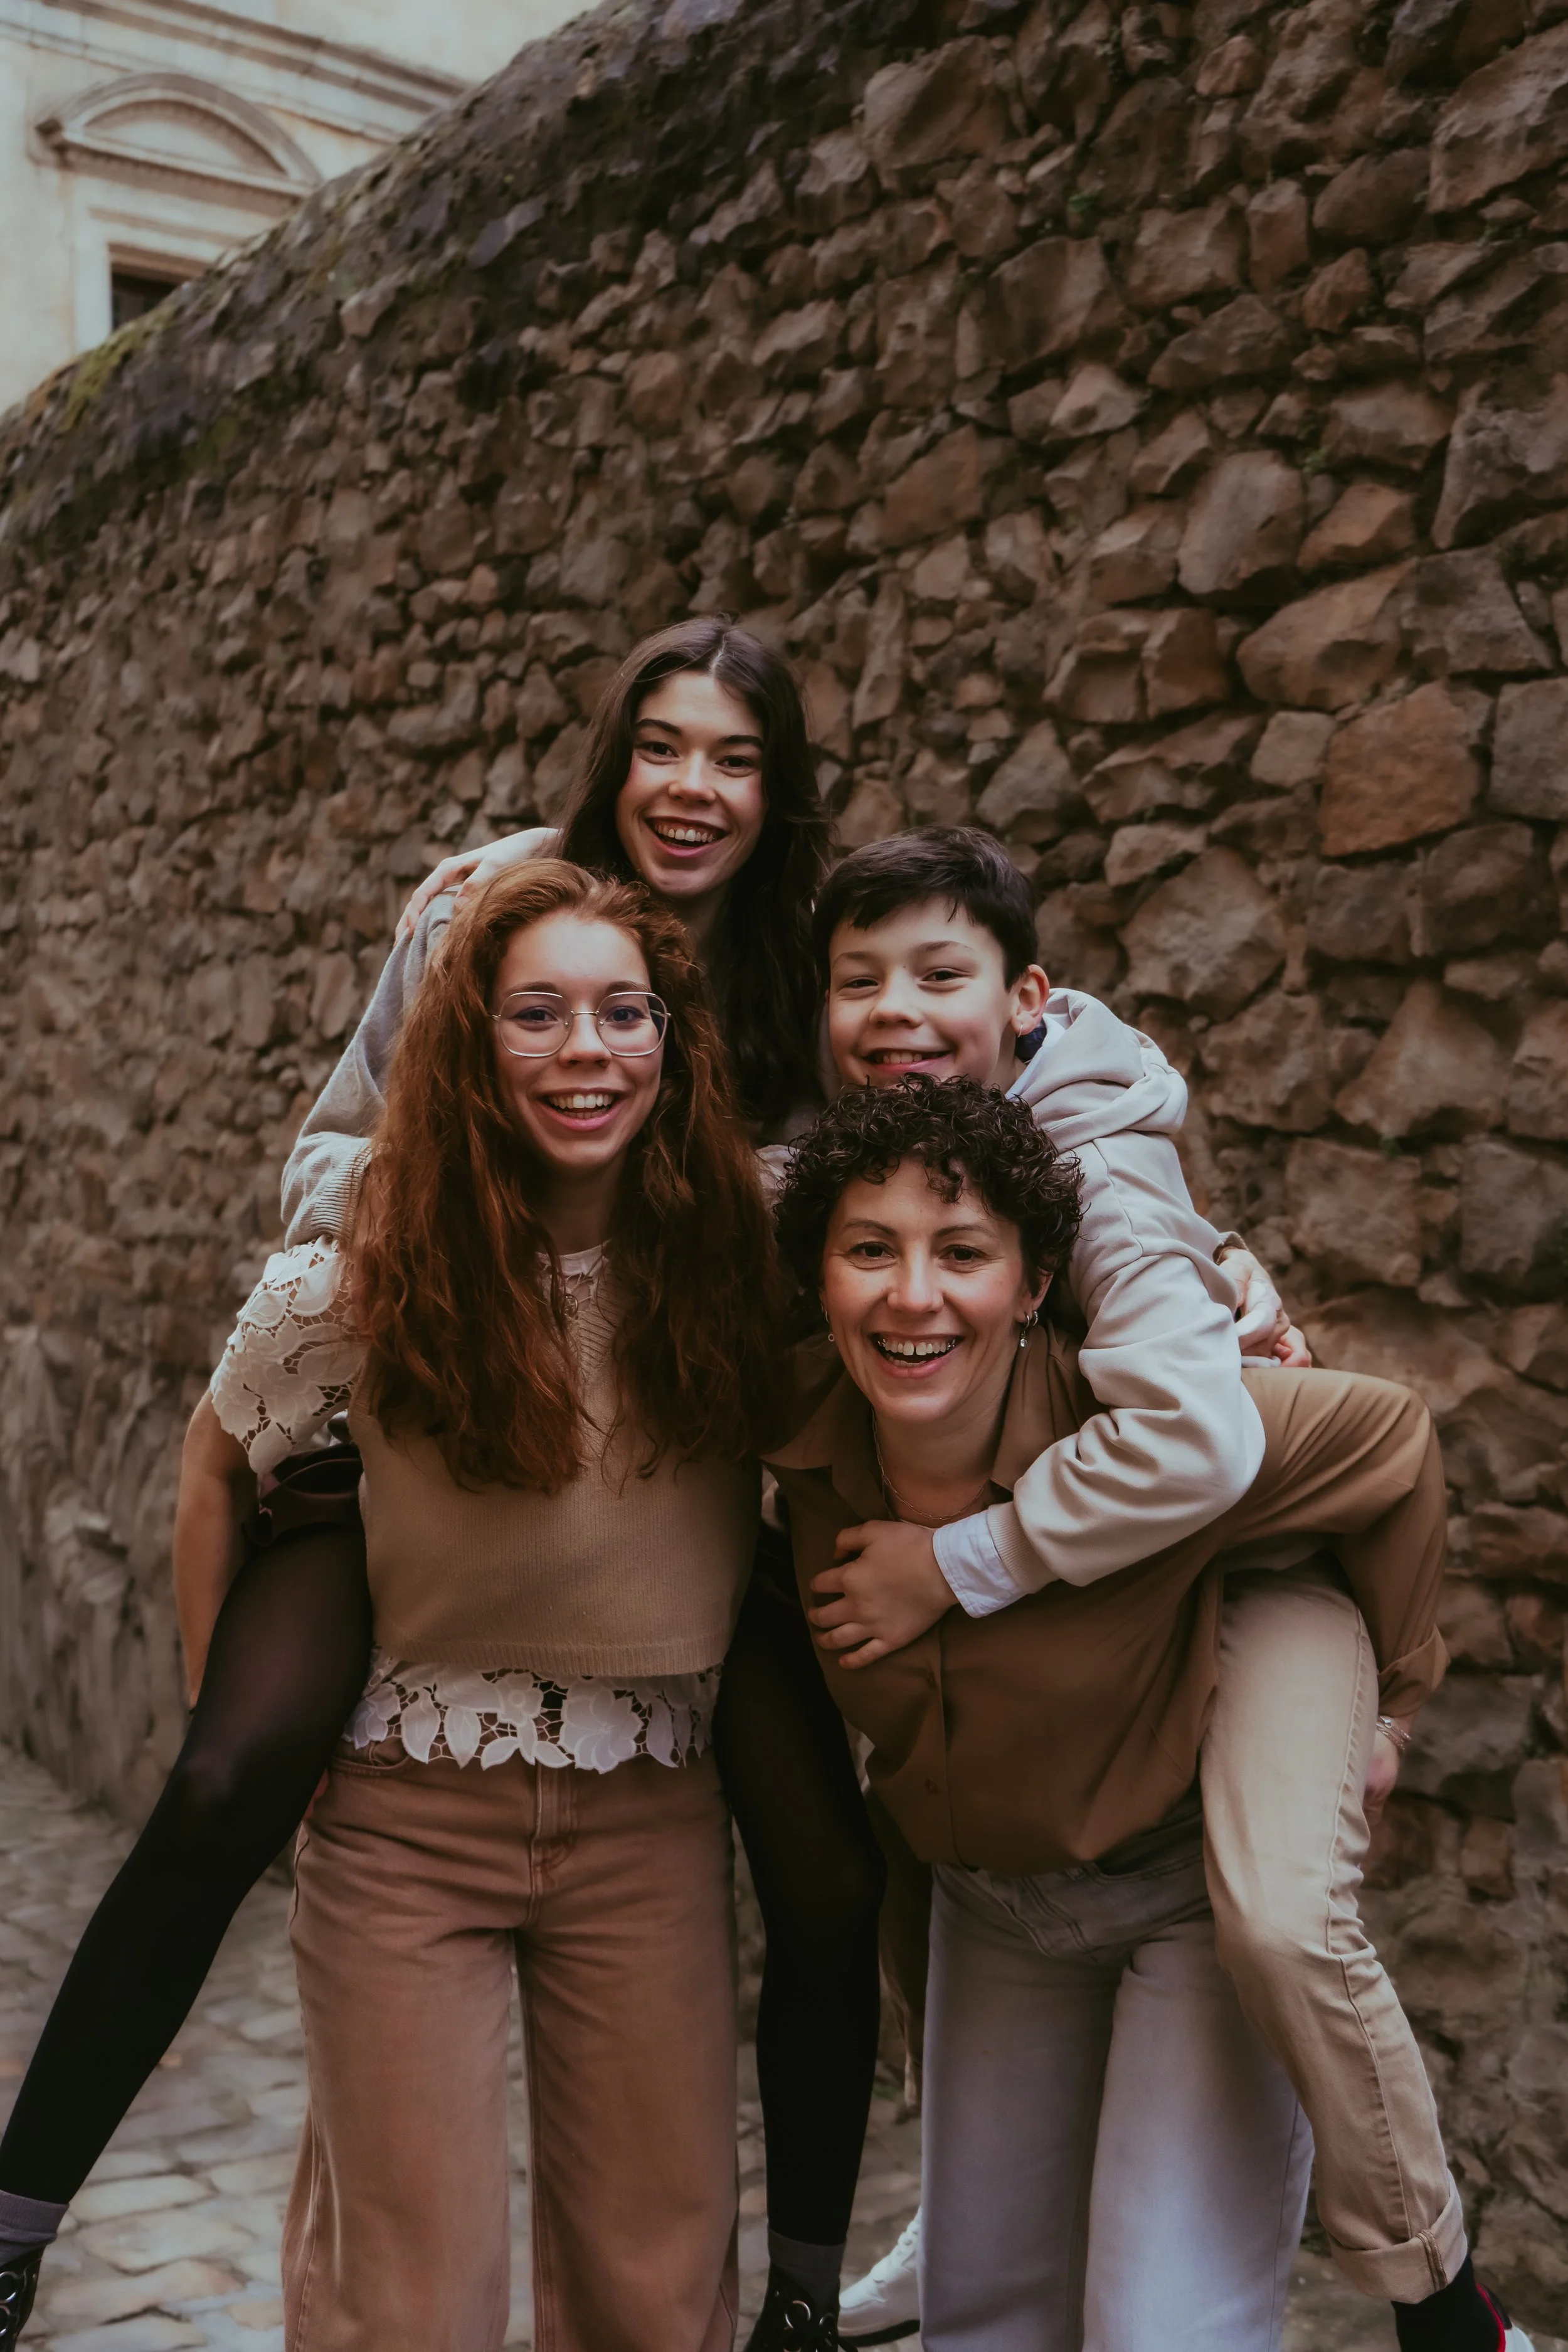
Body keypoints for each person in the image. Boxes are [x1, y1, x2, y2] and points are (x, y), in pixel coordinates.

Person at [802, 832, 1527, 2352]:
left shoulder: (1096, 1172)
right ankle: (964, 2202)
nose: (894, 1008)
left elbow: (1266, 1440)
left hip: (1254, 1562)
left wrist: (959, 1559)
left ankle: (1443, 2306)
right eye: (857, 981)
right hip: (1040, 1800)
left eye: (941, 976)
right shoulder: (868, 1190)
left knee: (1272, 1913)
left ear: (1028, 1002)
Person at [223, 859, 777, 2347]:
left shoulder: (752, 1245)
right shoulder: (369, 1267)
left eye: (621, 1012)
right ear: (469, 1041)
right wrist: (236, 1744)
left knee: (658, 2286)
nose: (584, 1052)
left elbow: (975, 1210)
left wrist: (1217, 1269)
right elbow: (223, 1465)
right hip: (404, 1812)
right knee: (408, 2294)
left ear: (673, 1036)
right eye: (535, 1015)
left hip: (650, 1809)